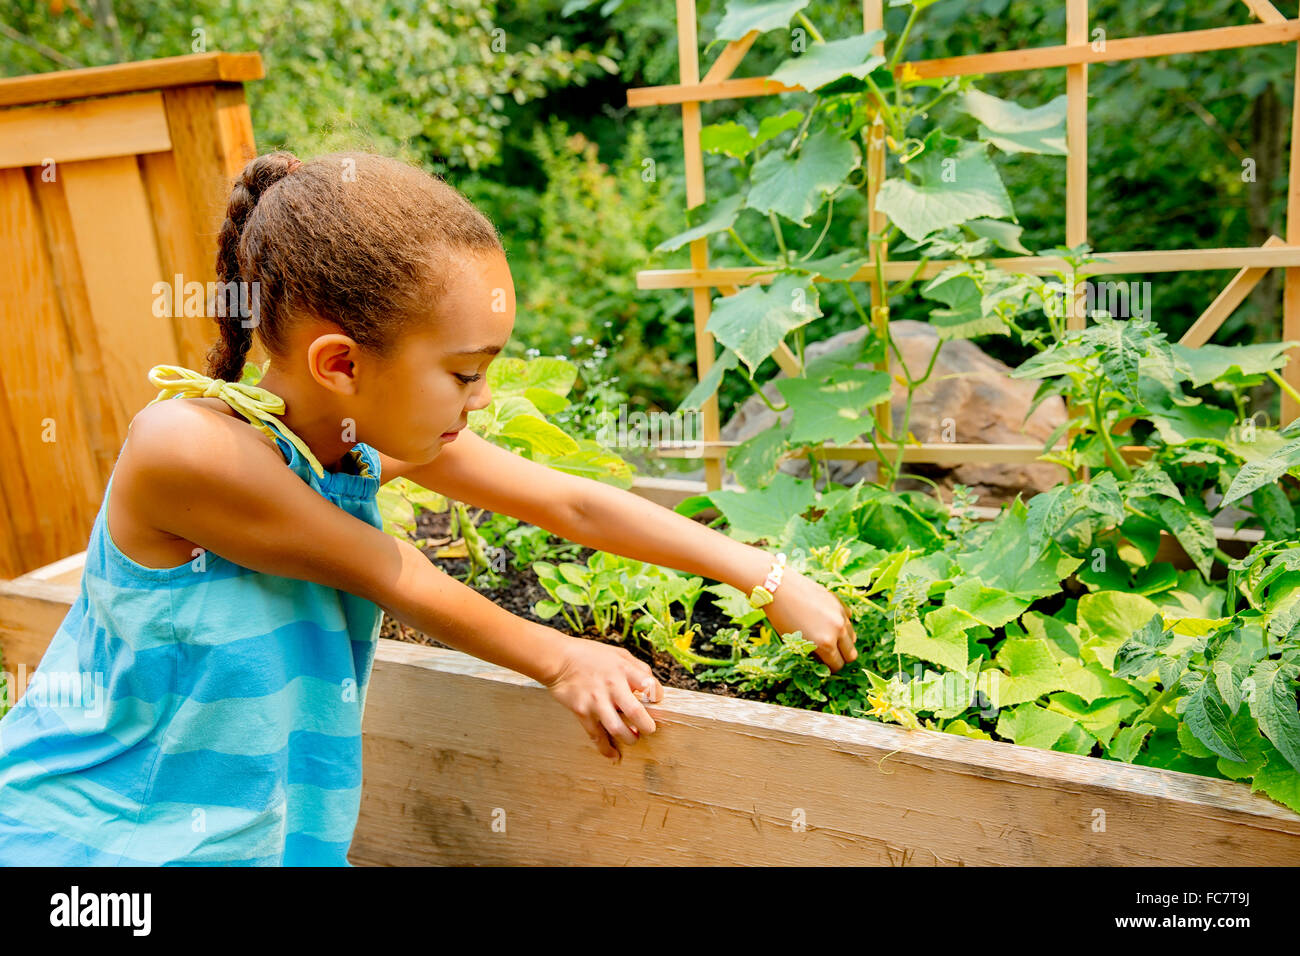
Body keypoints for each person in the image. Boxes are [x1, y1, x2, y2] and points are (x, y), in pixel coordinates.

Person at [0, 150, 858, 866]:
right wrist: (562, 659)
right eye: (464, 373)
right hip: (94, 841)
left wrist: (762, 572)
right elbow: (392, 571)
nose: (481, 400)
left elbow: (570, 501)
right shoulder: (188, 451)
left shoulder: (351, 440)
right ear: (340, 364)